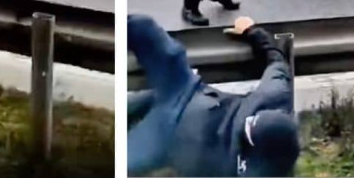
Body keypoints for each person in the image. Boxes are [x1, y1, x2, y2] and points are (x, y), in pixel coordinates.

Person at [128, 14, 299, 177]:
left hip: (165, 138)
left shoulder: (254, 171)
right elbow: (277, 63)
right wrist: (251, 31)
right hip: (186, 90)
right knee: (142, 26)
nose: (242, 126)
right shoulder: (273, 98)